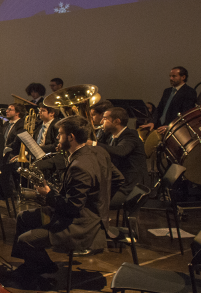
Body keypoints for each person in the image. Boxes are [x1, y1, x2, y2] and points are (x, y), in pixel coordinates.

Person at [9, 115, 123, 278]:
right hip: (89, 216)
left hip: (80, 225)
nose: (57, 137)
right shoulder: (99, 151)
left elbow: (71, 208)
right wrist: (99, 202)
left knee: (25, 240)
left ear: (71, 137)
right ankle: (33, 266)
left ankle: (41, 272)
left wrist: (48, 193)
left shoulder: (80, 167)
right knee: (23, 217)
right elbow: (118, 179)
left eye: (60, 134)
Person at [97, 107, 149, 208]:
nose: (101, 121)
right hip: (120, 183)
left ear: (117, 121)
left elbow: (121, 151)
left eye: (105, 118)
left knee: (94, 203)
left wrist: (94, 144)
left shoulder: (130, 136)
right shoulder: (110, 136)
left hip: (131, 187)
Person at [140, 66, 197, 135]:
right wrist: (152, 122)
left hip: (175, 130)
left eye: (174, 76)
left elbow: (186, 113)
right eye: (170, 76)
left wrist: (171, 126)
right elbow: (160, 109)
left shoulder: (189, 92)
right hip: (161, 126)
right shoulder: (167, 91)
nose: (171, 78)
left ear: (183, 77)